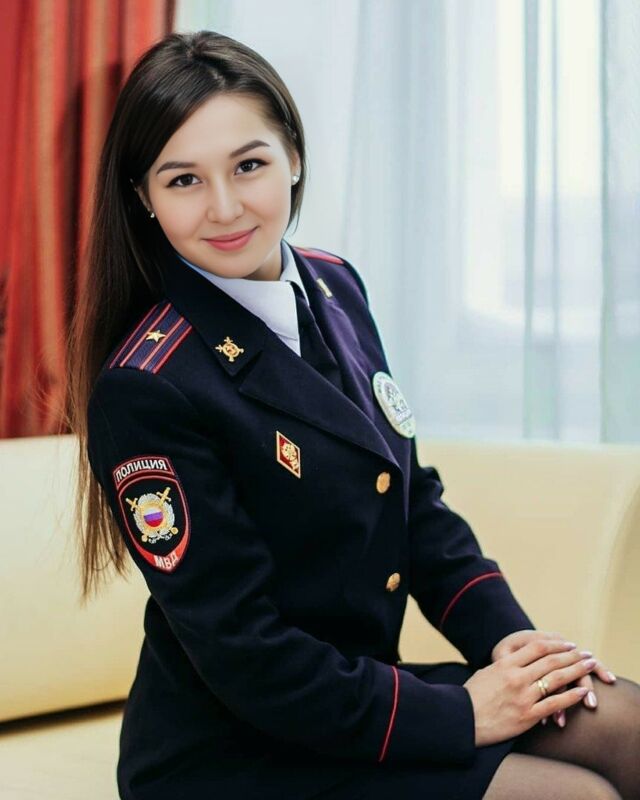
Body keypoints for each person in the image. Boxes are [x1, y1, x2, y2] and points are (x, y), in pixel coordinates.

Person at [65, 29, 640, 800]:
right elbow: (246, 653)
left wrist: (514, 647)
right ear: (144, 197)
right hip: (234, 752)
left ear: (294, 156)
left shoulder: (336, 287)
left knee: (623, 722)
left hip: (355, 699)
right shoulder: (150, 384)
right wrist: (463, 714)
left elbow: (413, 506)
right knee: (575, 797)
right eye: (184, 180)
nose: (225, 207)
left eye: (249, 165)